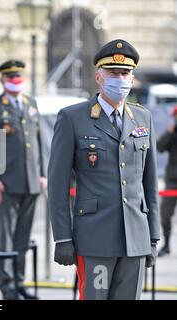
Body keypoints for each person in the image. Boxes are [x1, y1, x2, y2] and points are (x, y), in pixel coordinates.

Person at [48, 39, 160, 300]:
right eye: (113, 73)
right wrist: (62, 237)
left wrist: (153, 237)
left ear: (132, 79)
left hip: (135, 237)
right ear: (98, 77)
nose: (119, 79)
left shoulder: (143, 118)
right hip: (94, 237)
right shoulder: (73, 118)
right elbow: (57, 185)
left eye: (125, 73)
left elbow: (150, 183)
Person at [0, 59, 46, 300]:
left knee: (23, 238)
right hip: (6, 182)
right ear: (2, 80)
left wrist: (42, 174)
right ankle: (6, 285)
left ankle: (19, 282)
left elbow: (37, 141)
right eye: (11, 78)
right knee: (5, 237)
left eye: (18, 77)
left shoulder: (30, 104)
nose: (16, 81)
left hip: (30, 180)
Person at [156, 105, 177, 256]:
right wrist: (169, 132)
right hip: (172, 180)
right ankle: (167, 244)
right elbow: (159, 147)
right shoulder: (172, 134)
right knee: (165, 214)